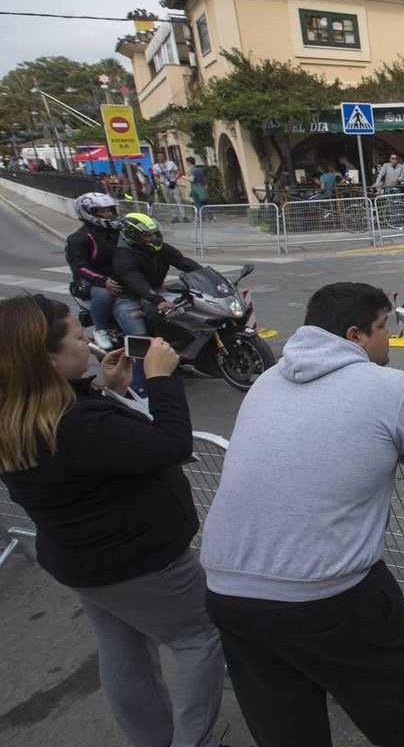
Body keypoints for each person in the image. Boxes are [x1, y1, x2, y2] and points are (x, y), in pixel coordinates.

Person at [198, 282, 404, 746]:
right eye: (382, 327)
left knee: (283, 720)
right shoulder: (388, 387)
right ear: (354, 335)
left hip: (226, 587)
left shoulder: (267, 381)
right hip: (325, 589)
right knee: (384, 672)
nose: (388, 338)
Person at [0, 295, 224, 747]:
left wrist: (112, 389)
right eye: (77, 336)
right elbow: (171, 444)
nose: (88, 341)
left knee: (125, 650)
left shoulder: (23, 413)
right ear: (47, 358)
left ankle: (153, 738)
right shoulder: (75, 423)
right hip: (144, 564)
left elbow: (102, 448)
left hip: (84, 563)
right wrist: (161, 378)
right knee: (200, 639)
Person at [113, 212, 203, 396]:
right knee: (140, 339)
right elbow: (136, 281)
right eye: (147, 236)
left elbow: (183, 262)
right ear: (133, 236)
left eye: (155, 234)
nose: (153, 238)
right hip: (129, 298)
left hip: (156, 292)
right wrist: (158, 300)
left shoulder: (160, 248)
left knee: (184, 319)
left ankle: (179, 363)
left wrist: (209, 277)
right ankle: (138, 387)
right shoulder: (123, 255)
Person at [65, 192, 123, 350]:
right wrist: (103, 281)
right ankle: (100, 329)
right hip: (92, 279)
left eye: (109, 210)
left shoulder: (118, 231)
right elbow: (79, 266)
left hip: (119, 274)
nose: (108, 214)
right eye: (102, 211)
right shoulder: (79, 238)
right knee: (104, 294)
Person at [151, 154, 188, 221]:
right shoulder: (155, 166)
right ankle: (175, 216)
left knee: (179, 200)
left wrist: (174, 179)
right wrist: (160, 181)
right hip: (164, 186)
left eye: (162, 156)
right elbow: (155, 176)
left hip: (173, 184)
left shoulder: (171, 163)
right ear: (157, 158)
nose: (161, 157)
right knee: (169, 201)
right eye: (159, 156)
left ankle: (184, 216)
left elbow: (178, 172)